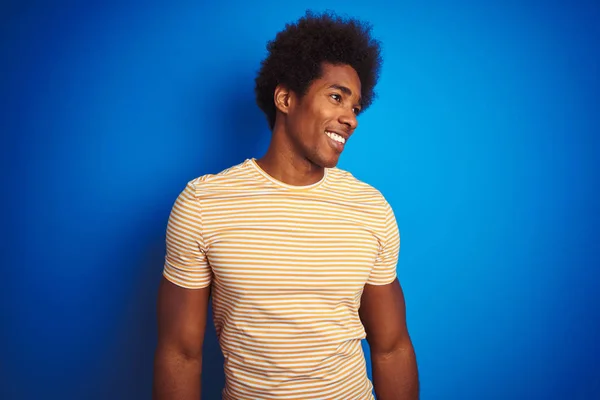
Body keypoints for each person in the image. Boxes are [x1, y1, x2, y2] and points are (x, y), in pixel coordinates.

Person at [153, 10, 419, 400]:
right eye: (336, 97)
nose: (351, 119)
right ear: (286, 98)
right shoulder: (203, 204)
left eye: (355, 107)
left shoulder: (370, 208)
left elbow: (392, 346)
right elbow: (181, 353)